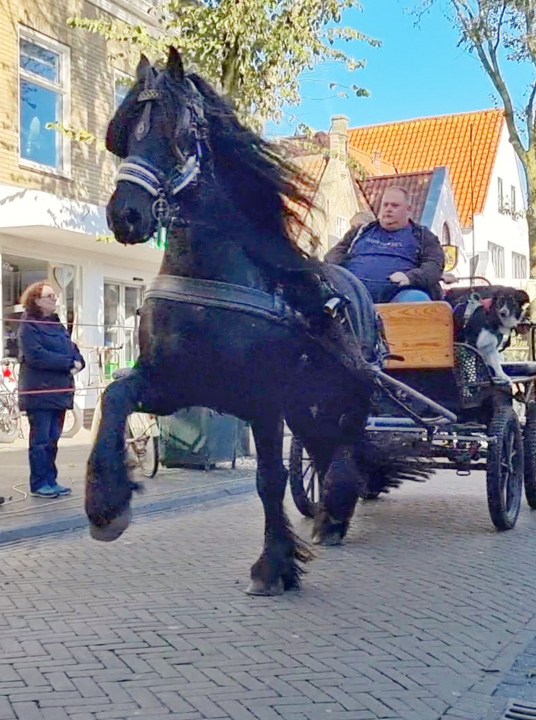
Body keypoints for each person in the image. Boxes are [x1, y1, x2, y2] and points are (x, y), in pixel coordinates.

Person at [17, 282, 85, 498]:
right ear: (36, 300)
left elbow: (73, 349)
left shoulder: (57, 324)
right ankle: (39, 483)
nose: (54, 300)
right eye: (49, 296)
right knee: (41, 440)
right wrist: (68, 363)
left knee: (53, 438)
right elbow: (35, 355)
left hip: (60, 391)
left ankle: (51, 480)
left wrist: (79, 361)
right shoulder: (28, 325)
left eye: (55, 296)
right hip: (40, 392)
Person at [325, 186, 444, 304]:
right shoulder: (360, 232)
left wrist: (410, 277)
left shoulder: (423, 236)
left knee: (417, 300)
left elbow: (434, 265)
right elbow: (332, 257)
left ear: (408, 209)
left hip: (401, 296)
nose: (388, 209)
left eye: (395, 205)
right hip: (353, 294)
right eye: (385, 205)